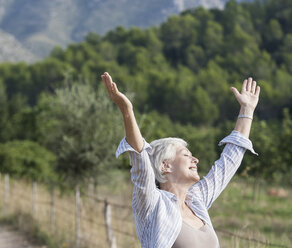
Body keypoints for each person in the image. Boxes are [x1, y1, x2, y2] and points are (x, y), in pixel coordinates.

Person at [101, 72, 260, 248]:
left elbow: (229, 161)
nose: (196, 159)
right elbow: (141, 162)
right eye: (186, 155)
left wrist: (247, 110)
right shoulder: (152, 204)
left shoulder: (196, 200)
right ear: (165, 165)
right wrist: (127, 110)